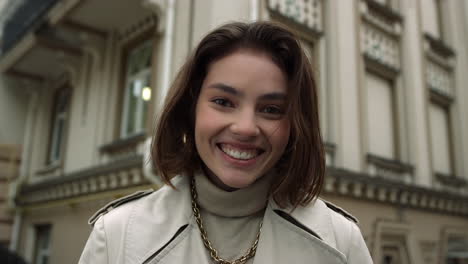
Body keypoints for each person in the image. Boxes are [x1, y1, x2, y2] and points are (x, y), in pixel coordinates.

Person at [79, 21, 373, 264]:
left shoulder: (340, 241)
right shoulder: (117, 236)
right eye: (223, 101)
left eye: (271, 109)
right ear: (192, 107)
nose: (245, 128)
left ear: (294, 125)